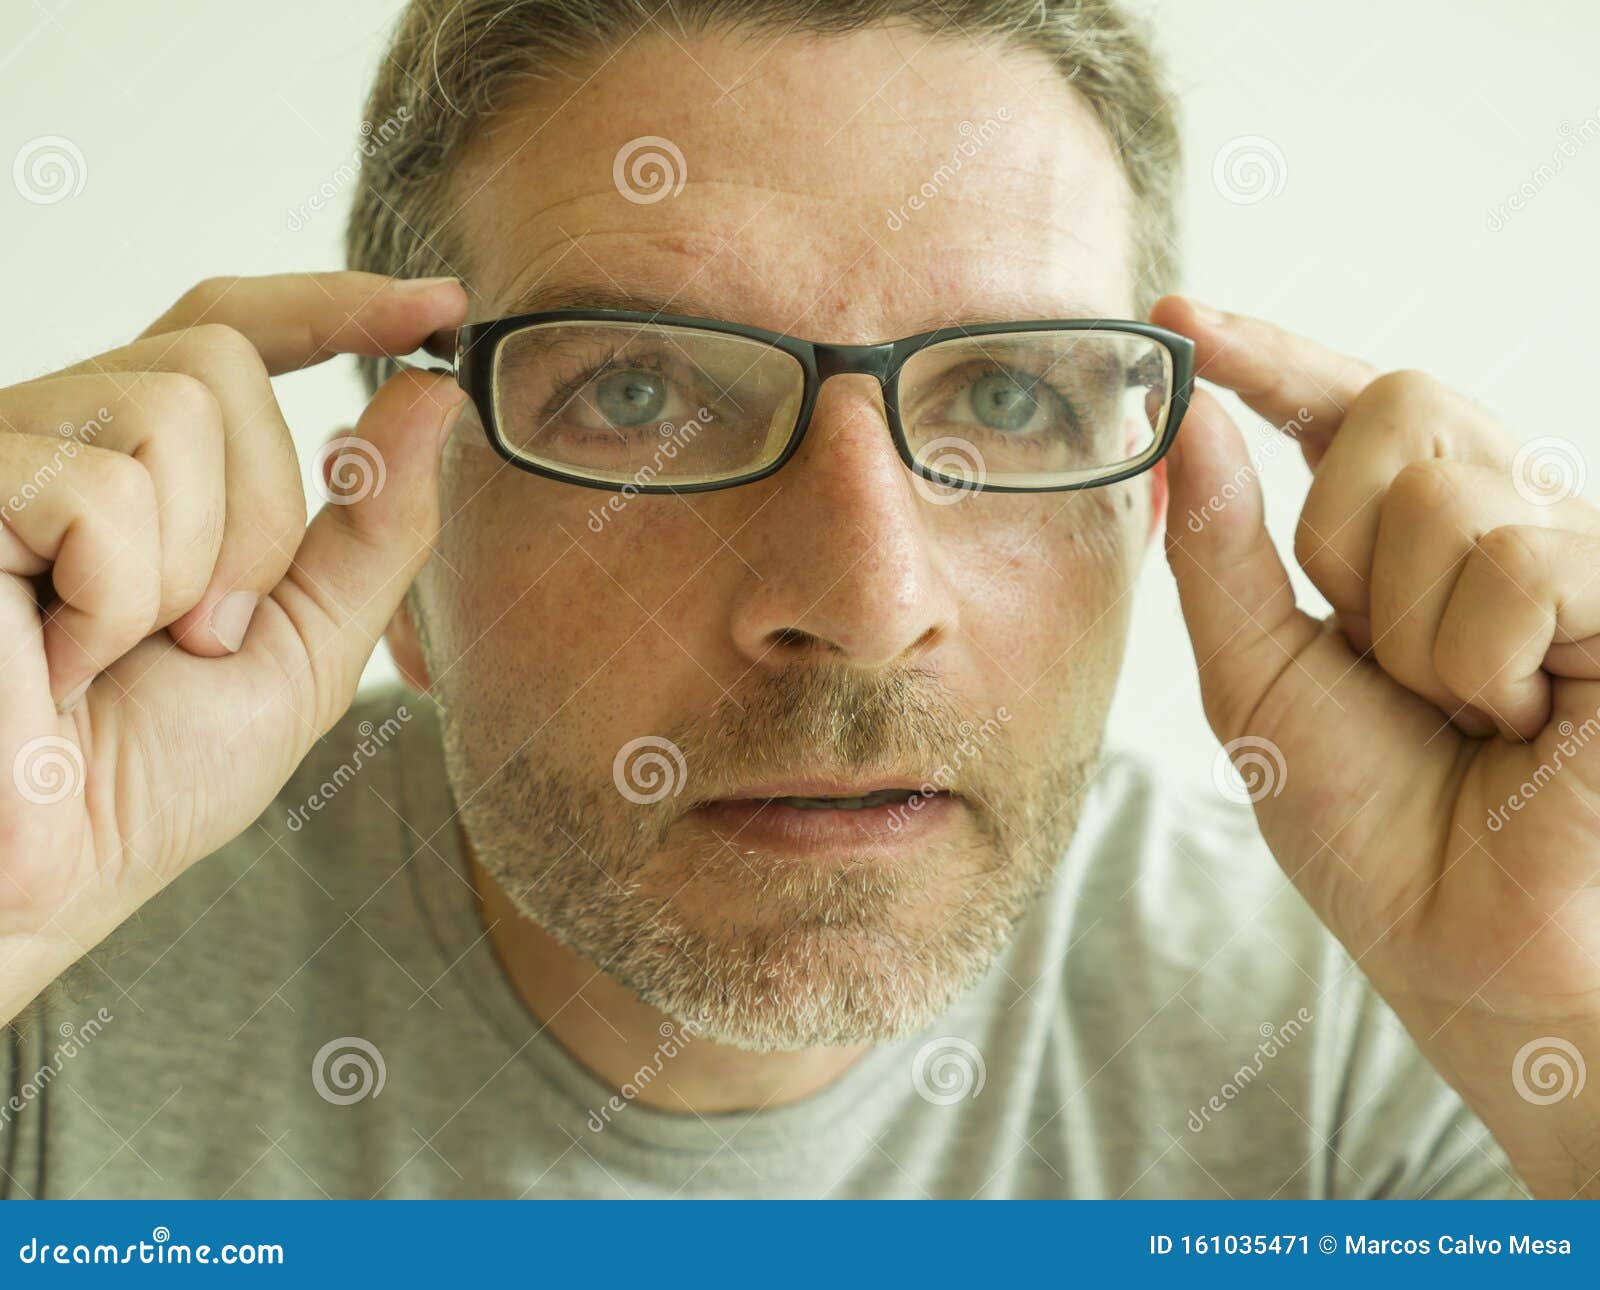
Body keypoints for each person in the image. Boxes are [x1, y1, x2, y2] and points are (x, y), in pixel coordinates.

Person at [1, 0, 1592, 1200]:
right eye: (634, 393)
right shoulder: (60, 987)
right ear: (401, 527)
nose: (865, 597)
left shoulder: (1368, 1029)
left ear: (1156, 499)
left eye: (1014, 400)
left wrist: (1567, 1022)